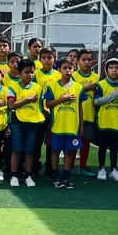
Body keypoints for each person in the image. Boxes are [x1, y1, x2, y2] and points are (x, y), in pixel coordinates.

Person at [45, 57, 86, 189]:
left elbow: (80, 108)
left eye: (70, 68)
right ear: (59, 69)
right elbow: (48, 104)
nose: (67, 70)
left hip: (72, 126)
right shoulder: (52, 86)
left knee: (70, 152)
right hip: (57, 126)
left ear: (74, 69)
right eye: (64, 68)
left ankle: (66, 177)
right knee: (55, 151)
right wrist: (62, 99)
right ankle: (55, 176)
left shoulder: (79, 87)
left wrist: (81, 126)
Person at [8, 59, 43, 187]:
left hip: (33, 122)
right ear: (20, 73)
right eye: (26, 72)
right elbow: (11, 106)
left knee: (30, 150)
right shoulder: (13, 86)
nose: (30, 75)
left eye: (32, 72)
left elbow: (41, 105)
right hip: (17, 121)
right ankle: (14, 175)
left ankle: (28, 175)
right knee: (17, 149)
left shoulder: (38, 87)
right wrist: (27, 100)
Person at [94, 57, 118, 182]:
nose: (114, 70)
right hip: (104, 121)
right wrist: (115, 95)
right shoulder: (101, 85)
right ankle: (101, 169)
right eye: (111, 68)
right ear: (106, 70)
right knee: (102, 147)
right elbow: (96, 101)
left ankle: (114, 170)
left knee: (114, 148)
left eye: (117, 68)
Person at [33, 47, 61, 177]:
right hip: (38, 113)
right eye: (43, 58)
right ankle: (35, 165)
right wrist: (42, 108)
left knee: (52, 142)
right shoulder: (35, 74)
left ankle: (50, 167)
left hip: (54, 114)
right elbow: (34, 93)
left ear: (54, 59)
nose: (47, 60)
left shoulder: (59, 75)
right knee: (37, 141)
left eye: (50, 57)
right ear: (40, 60)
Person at [73, 49, 100, 177]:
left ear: (93, 61)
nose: (86, 62)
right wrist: (86, 87)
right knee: (73, 141)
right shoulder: (73, 76)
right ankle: (70, 165)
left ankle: (83, 166)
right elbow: (71, 92)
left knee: (86, 142)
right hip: (74, 115)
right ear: (77, 61)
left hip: (89, 115)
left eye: (89, 60)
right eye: (83, 59)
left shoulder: (97, 77)